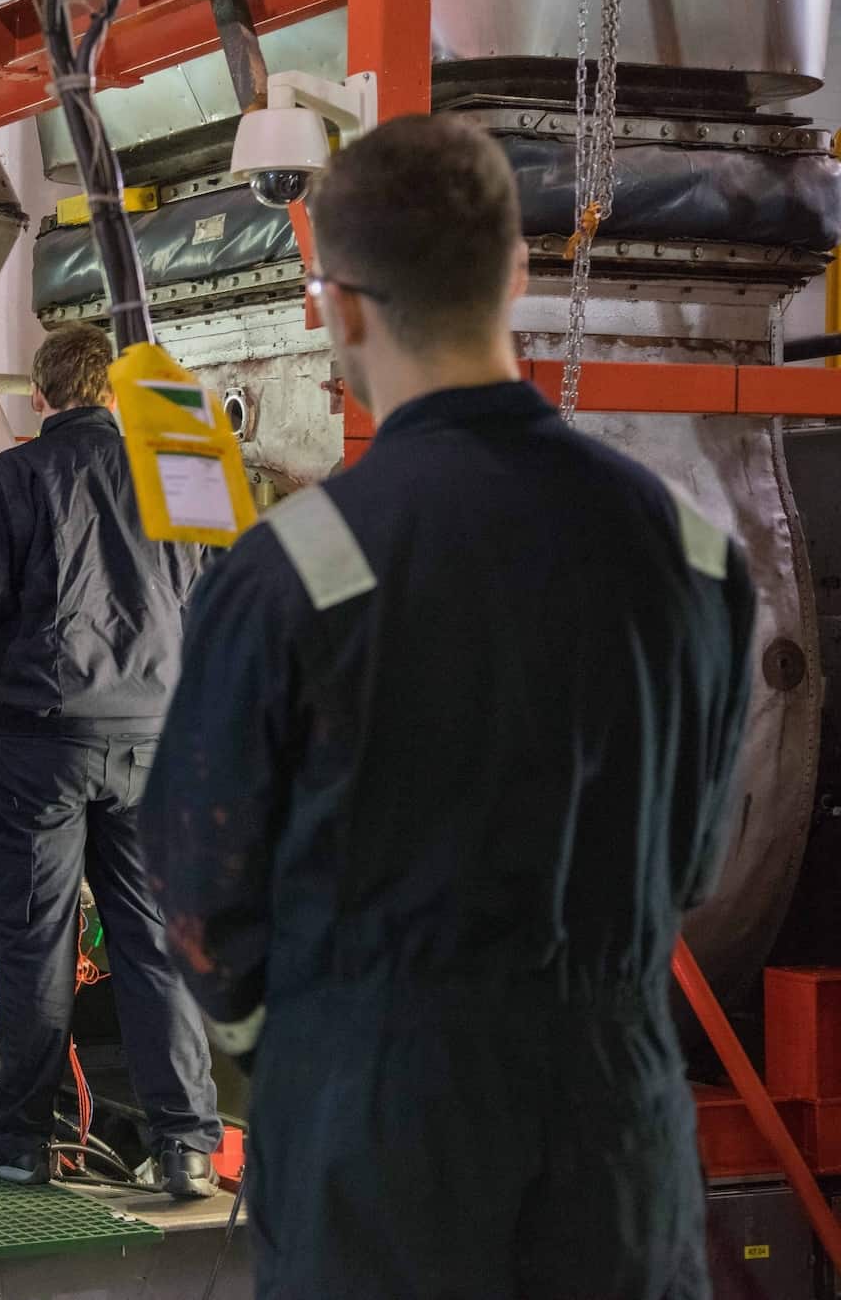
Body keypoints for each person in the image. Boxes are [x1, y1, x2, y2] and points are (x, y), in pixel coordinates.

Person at [147, 115, 754, 1298]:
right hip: (611, 1125)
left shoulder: (300, 565)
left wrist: (300, 1044)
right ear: (516, 274)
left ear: (338, 306)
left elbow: (197, 889)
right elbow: (692, 861)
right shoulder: (688, 555)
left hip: (377, 1131)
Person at [0, 322, 223, 1197]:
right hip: (156, 743)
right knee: (155, 943)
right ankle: (185, 1146)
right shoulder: (177, 476)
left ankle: (18, 1141)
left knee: (37, 944)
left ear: (41, 398)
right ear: (114, 396)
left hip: (46, 743)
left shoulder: (14, 478)